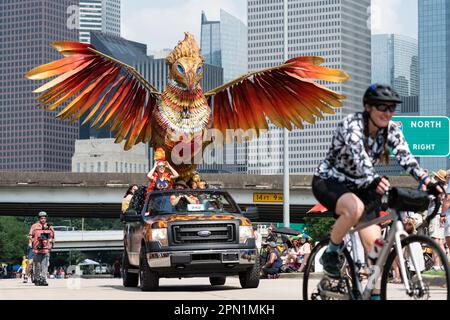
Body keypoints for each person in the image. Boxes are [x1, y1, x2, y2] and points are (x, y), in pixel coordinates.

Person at [311, 84, 444, 300]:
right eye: (382, 107)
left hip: (364, 186)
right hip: (331, 181)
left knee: (376, 249)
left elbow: (405, 156)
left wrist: (427, 181)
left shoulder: (391, 129)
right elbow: (358, 157)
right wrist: (374, 179)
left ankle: (373, 294)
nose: (387, 112)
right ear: (367, 107)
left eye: (391, 108)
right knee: (354, 209)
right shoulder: (352, 125)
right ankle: (332, 253)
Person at [28, 211, 55, 286]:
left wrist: (51, 243)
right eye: (41, 218)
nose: (43, 219)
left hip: (46, 249)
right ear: (39, 218)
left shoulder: (49, 227)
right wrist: (30, 243)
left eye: (44, 218)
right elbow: (30, 236)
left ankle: (43, 279)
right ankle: (37, 279)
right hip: (37, 249)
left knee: (45, 266)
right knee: (37, 266)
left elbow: (52, 237)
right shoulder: (34, 226)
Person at [428, 170, 447, 270]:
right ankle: (443, 264)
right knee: (440, 242)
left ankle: (436, 265)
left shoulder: (437, 190)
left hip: (436, 216)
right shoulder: (446, 189)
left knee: (435, 241)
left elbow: (429, 198)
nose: (434, 179)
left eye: (436, 177)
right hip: (441, 216)